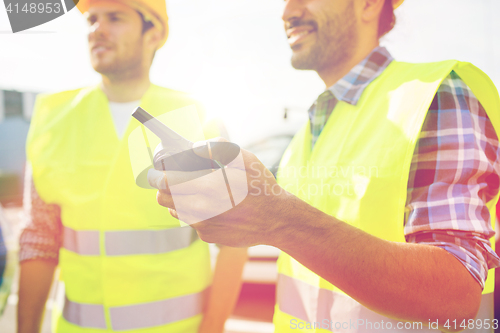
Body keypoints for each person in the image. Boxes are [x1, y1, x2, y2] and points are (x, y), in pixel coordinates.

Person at [151, 0, 500, 332]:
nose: (287, 11)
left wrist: (278, 219)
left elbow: (457, 294)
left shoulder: (434, 94)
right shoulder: (309, 131)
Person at [17, 1, 247, 332]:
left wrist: (212, 326)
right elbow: (39, 238)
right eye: (92, 19)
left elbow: (235, 237)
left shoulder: (197, 117)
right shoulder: (52, 119)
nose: (97, 29)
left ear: (153, 33)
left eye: (115, 18)